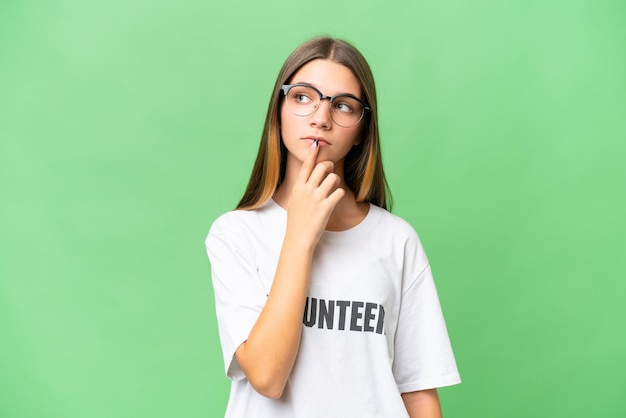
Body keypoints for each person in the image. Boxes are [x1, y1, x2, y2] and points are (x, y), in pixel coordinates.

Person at [205, 36, 461, 418]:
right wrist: (300, 235)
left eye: (343, 105)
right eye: (304, 97)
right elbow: (266, 377)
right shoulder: (235, 234)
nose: (321, 118)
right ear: (279, 109)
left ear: (360, 130)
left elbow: (419, 393)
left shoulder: (397, 240)